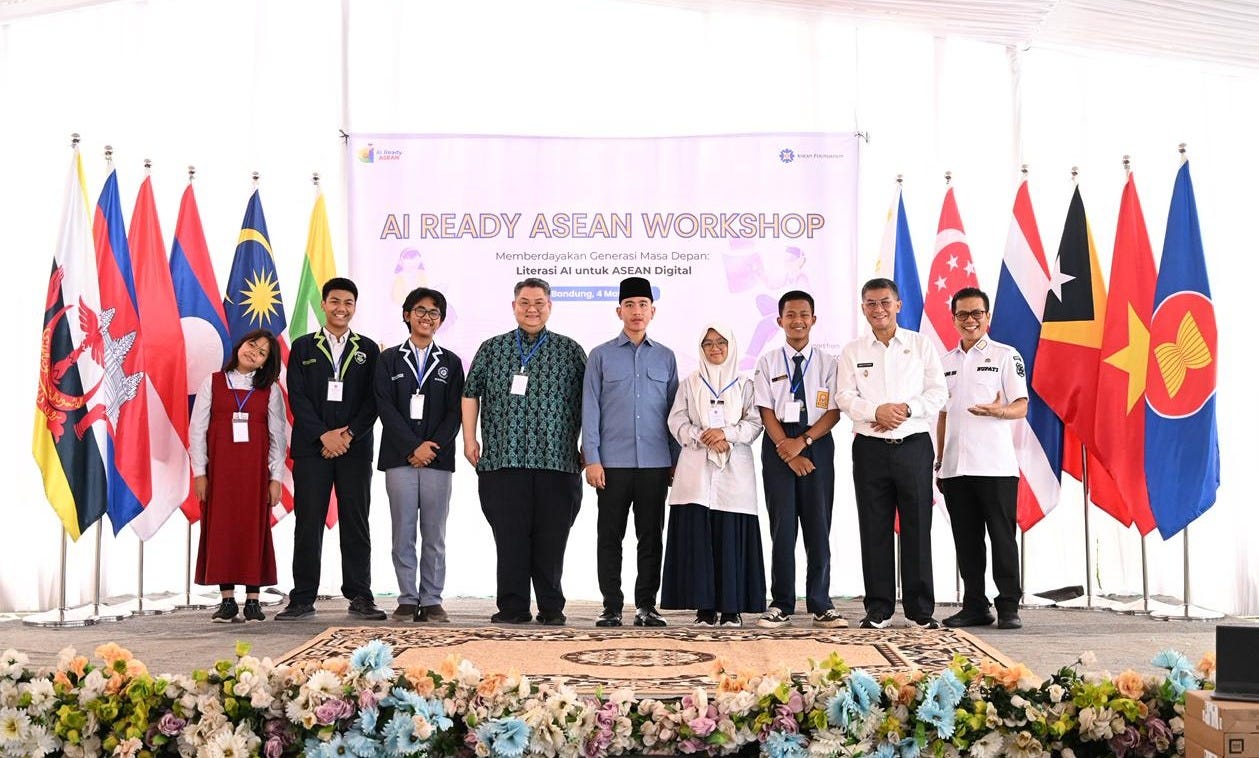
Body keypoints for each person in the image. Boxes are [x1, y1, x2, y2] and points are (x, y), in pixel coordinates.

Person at [462, 277, 587, 625]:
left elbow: (591, 402)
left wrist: (588, 447)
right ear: (514, 305)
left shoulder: (570, 350)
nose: (532, 309)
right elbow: (470, 393)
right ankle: (512, 607)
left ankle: (551, 608)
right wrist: (469, 439)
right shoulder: (492, 348)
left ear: (549, 306)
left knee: (551, 540)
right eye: (524, 303)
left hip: (557, 461)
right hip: (504, 460)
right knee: (510, 538)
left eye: (539, 303)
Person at [836, 278, 947, 629]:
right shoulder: (853, 350)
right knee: (874, 528)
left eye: (885, 302)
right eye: (870, 303)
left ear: (898, 305)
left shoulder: (920, 344)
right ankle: (879, 608)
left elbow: (938, 392)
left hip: (913, 446)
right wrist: (875, 412)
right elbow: (843, 397)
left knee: (917, 527)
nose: (878, 309)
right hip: (869, 447)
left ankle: (919, 611)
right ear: (862, 307)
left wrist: (905, 410)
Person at [277, 278, 384, 621]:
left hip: (355, 448)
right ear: (323, 304)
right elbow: (298, 397)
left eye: (348, 302)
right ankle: (302, 596)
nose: (341, 308)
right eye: (335, 301)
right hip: (313, 449)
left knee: (356, 521)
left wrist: (348, 434)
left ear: (355, 307)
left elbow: (374, 399)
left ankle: (360, 595)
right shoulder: (303, 346)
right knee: (308, 522)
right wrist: (324, 436)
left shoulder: (368, 348)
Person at [583, 277, 679, 628]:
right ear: (618, 310)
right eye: (630, 305)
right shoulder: (601, 356)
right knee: (609, 537)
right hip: (612, 464)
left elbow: (674, 413)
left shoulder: (666, 357)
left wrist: (675, 461)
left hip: (655, 463)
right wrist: (592, 458)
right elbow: (590, 408)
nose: (636, 312)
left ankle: (646, 606)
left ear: (652, 311)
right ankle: (610, 606)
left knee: (651, 537)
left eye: (643, 305)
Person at [660, 323, 765, 628]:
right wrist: (701, 435)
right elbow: (676, 420)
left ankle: (732, 609)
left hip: (735, 468)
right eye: (708, 343)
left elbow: (754, 422)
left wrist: (727, 434)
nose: (715, 348)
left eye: (720, 342)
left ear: (730, 346)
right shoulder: (690, 383)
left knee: (730, 532)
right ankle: (704, 609)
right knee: (700, 535)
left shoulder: (744, 384)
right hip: (696, 469)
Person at [936, 287, 1029, 630]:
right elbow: (943, 415)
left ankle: (1008, 606)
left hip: (995, 467)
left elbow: (1022, 404)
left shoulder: (1005, 355)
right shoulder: (944, 362)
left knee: (1002, 538)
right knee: (967, 540)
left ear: (987, 317)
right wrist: (939, 461)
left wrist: (999, 411)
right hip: (955, 467)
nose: (970, 320)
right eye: (963, 314)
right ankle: (975, 604)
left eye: (977, 313)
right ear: (954, 319)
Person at [753, 291, 846, 629]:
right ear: (779, 321)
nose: (797, 320)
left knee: (818, 525)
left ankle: (821, 603)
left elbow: (834, 411)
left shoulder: (829, 363)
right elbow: (765, 410)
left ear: (814, 319)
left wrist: (803, 442)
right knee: (783, 528)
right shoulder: (768, 362)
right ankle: (781, 603)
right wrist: (787, 449)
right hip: (778, 443)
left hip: (816, 440)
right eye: (790, 315)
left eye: (804, 314)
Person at [374, 287, 465, 623]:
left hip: (437, 460)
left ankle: (432, 598)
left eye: (434, 313)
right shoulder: (389, 359)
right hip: (400, 459)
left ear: (440, 321)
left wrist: (430, 448)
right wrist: (413, 447)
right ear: (407, 315)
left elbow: (456, 411)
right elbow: (385, 406)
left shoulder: (451, 362)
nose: (427, 317)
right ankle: (408, 599)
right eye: (420, 310)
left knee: (434, 533)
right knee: (403, 532)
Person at [190, 329, 286, 623]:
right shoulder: (213, 382)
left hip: (255, 474)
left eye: (262, 353)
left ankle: (254, 601)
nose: (253, 352)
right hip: (220, 471)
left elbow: (277, 436)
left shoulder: (269, 390)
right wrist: (200, 472)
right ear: (240, 345)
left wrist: (275, 478)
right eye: (251, 345)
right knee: (222, 530)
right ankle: (228, 599)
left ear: (265, 363)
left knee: (253, 529)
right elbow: (197, 430)